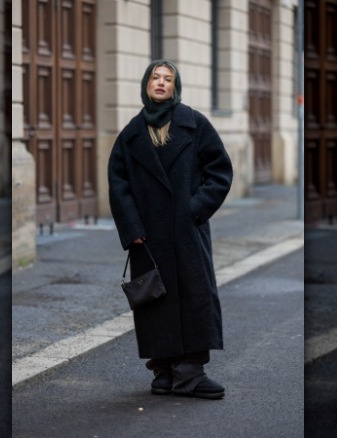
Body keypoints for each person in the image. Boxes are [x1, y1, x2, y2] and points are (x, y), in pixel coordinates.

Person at [108, 59, 233, 400]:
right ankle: (163, 372)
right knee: (155, 301)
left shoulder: (194, 123)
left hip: (186, 230)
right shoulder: (131, 134)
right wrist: (131, 229)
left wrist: (195, 209)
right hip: (148, 238)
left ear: (175, 86)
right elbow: (118, 185)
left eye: (168, 78)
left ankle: (190, 372)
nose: (161, 83)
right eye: (155, 77)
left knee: (194, 294)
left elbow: (220, 172)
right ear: (146, 85)